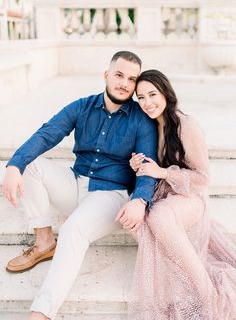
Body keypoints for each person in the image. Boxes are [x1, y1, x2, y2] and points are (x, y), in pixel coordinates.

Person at [2, 51, 158, 320]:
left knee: (74, 229)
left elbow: (147, 167)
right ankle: (44, 242)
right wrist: (14, 165)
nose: (124, 83)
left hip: (111, 195)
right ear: (106, 75)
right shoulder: (82, 106)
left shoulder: (141, 120)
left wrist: (140, 200)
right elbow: (47, 134)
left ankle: (42, 312)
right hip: (76, 184)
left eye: (131, 79)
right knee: (32, 166)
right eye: (119, 75)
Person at [128, 69, 236, 320]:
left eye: (152, 94)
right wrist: (138, 164)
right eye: (141, 97)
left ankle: (206, 294)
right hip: (168, 194)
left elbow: (203, 178)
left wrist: (162, 172)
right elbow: (150, 168)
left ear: (166, 92)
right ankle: (178, 282)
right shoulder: (150, 127)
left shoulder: (187, 126)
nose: (147, 103)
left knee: (160, 218)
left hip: (191, 196)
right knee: (139, 220)